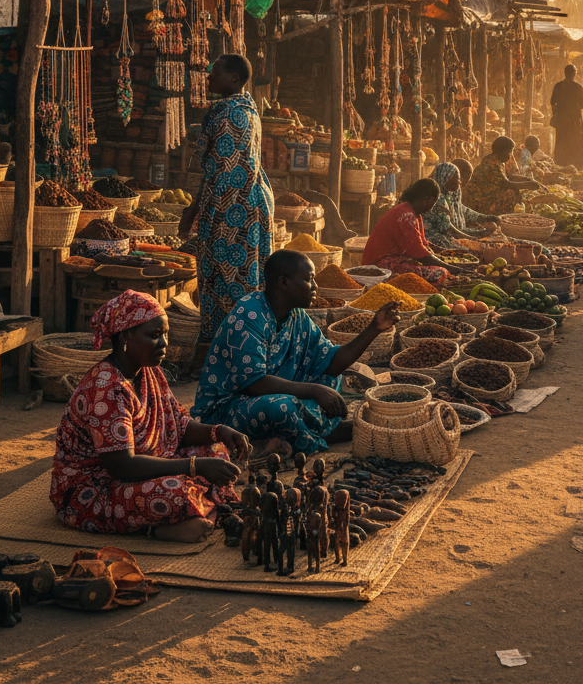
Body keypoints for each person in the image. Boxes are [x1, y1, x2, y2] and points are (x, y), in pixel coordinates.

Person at [51, 291, 251, 541]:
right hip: (96, 487)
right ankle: (161, 527)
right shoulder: (106, 389)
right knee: (173, 493)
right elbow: (123, 466)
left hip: (146, 465)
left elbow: (177, 425)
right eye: (154, 335)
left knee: (215, 448)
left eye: (165, 334)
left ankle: (201, 509)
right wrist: (194, 466)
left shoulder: (149, 372)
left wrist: (219, 431)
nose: (164, 343)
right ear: (125, 336)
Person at [192, 250, 399, 455]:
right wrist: (314, 390)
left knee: (329, 378)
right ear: (284, 283)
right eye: (309, 279)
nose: (315, 286)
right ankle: (314, 436)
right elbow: (254, 383)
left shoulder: (296, 316)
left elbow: (332, 362)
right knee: (283, 407)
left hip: (269, 396)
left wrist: (374, 328)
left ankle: (304, 432)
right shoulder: (249, 316)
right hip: (227, 410)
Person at [179, 54, 274, 354]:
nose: (209, 77)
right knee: (240, 279)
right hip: (245, 204)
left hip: (232, 210)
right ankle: (239, 348)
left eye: (215, 73)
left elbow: (219, 174)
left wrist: (193, 212)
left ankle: (233, 350)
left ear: (234, 79)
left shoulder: (231, 117)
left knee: (229, 279)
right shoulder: (246, 109)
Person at [361, 178, 455, 284]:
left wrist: (443, 255)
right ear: (426, 200)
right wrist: (451, 267)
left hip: (392, 259)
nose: (432, 208)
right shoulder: (407, 216)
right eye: (433, 203)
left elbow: (423, 244)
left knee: (437, 267)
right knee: (439, 272)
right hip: (378, 266)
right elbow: (419, 253)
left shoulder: (412, 212)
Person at [425, 161, 500, 249]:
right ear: (445, 178)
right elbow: (449, 230)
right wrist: (478, 236)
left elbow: (461, 209)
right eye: (457, 178)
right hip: (434, 237)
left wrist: (484, 218)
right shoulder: (437, 198)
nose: (460, 181)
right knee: (469, 249)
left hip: (450, 233)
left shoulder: (448, 194)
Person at [464, 137, 542, 215]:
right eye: (509, 152)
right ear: (500, 152)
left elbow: (508, 176)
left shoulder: (498, 161)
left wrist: (526, 179)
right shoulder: (491, 164)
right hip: (479, 200)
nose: (510, 156)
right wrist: (527, 185)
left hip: (487, 194)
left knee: (514, 192)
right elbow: (506, 184)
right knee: (511, 194)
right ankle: (498, 216)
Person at [550, 65, 583, 169]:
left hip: (561, 121)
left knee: (561, 141)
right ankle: (577, 165)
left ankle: (561, 164)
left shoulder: (558, 86)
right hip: (574, 121)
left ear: (565, 73)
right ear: (574, 74)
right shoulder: (578, 87)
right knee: (575, 142)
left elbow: (552, 102)